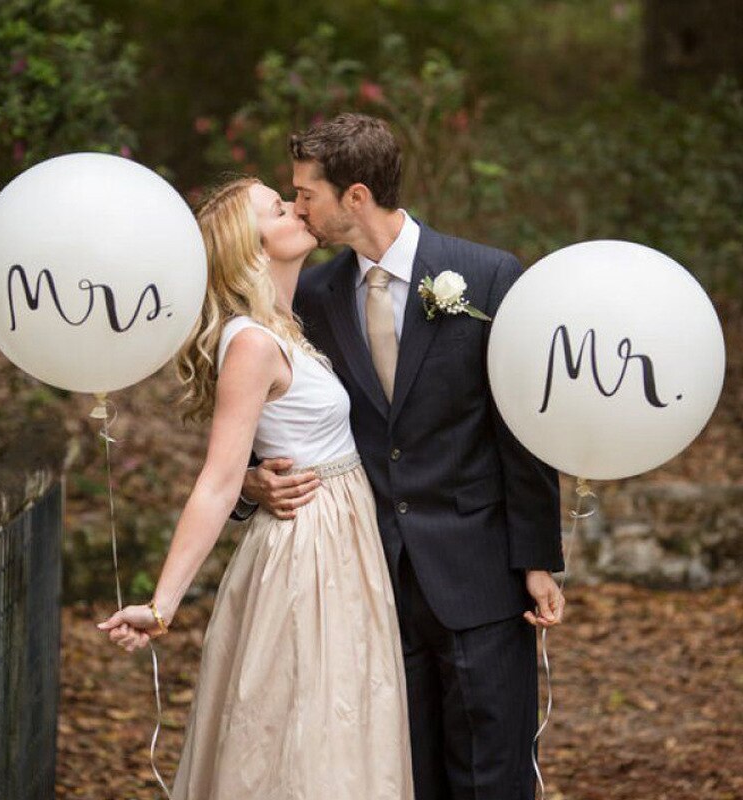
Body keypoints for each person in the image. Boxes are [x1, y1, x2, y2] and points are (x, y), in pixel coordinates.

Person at [239, 113, 566, 800]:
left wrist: (536, 559)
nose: (298, 206)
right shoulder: (317, 295)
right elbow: (275, 409)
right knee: (398, 773)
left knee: (492, 771)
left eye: (306, 194)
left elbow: (521, 426)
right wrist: (251, 484)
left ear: (354, 196)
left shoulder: (488, 273)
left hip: (478, 570)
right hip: (366, 578)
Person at [96, 177, 414, 799]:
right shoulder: (251, 343)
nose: (299, 207)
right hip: (307, 552)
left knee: (342, 721)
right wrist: (162, 604)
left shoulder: (287, 327)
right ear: (250, 247)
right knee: (303, 728)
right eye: (279, 206)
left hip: (343, 545)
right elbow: (217, 481)